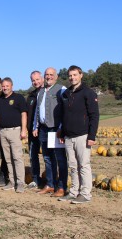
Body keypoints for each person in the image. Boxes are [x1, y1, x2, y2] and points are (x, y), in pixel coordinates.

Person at [58, 65, 99, 204]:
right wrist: (63, 133)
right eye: (70, 75)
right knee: (73, 166)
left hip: (83, 135)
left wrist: (92, 136)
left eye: (75, 75)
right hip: (69, 136)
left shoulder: (88, 93)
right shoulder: (66, 93)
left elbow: (94, 116)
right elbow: (65, 115)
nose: (72, 78)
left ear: (81, 75)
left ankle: (85, 193)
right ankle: (73, 191)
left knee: (84, 165)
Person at [34, 67, 68, 197]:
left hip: (55, 128)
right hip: (43, 129)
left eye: (51, 74)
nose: (48, 77)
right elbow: (38, 110)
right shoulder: (41, 91)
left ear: (56, 76)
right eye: (46, 75)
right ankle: (50, 184)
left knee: (60, 159)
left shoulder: (62, 89)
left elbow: (65, 110)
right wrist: (35, 126)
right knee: (47, 158)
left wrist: (61, 127)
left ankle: (62, 187)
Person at [0, 77, 28, 193]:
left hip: (15, 131)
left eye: (7, 86)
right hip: (3, 132)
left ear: (11, 86)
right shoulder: (0, 99)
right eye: (3, 86)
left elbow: (24, 114)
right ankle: (12, 181)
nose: (5, 88)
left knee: (17, 158)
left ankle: (20, 183)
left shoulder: (18, 98)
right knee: (8, 159)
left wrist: (24, 130)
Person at [26, 71, 43, 189]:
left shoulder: (48, 92)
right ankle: (36, 179)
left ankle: (51, 181)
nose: (35, 82)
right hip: (32, 131)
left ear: (42, 78)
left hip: (45, 130)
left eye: (37, 79)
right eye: (33, 80)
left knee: (48, 156)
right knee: (33, 155)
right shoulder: (31, 96)